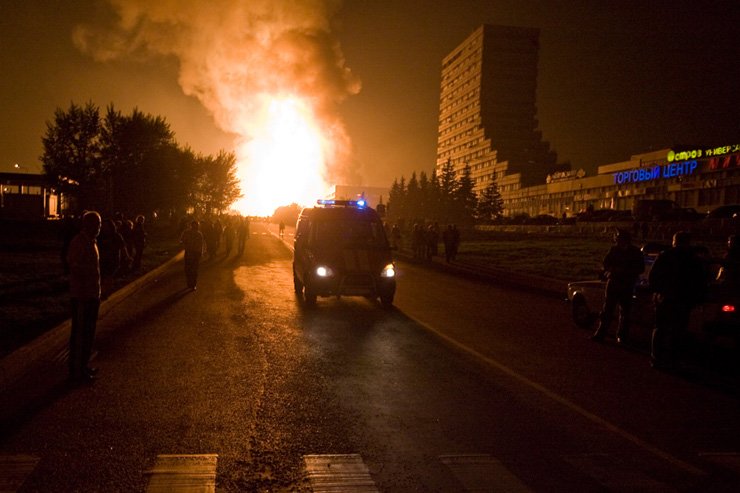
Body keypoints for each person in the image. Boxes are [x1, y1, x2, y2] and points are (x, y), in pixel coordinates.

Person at [648, 231, 706, 369]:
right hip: (683, 300)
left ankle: (656, 358)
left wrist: (657, 292)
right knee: (679, 330)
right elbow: (700, 281)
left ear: (674, 241)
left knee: (660, 329)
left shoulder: (665, 256)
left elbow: (653, 277)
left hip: (666, 298)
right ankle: (674, 359)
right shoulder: (694, 259)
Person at [66, 210, 102, 383]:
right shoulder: (79, 243)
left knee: (88, 333)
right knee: (80, 334)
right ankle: (76, 371)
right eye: (97, 224)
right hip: (82, 296)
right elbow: (75, 266)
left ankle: (83, 366)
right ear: (89, 225)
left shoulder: (92, 242)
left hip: (92, 294)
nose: (99, 228)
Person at [591, 229, 645, 343]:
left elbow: (640, 268)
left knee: (625, 312)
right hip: (614, 283)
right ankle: (601, 333)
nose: (617, 241)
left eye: (619, 239)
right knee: (607, 309)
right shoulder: (614, 250)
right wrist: (611, 270)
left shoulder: (635, 252)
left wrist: (626, 271)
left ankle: (622, 335)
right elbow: (606, 264)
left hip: (627, 284)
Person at [180, 220, 205, 290]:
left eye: (196, 226)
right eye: (194, 225)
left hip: (195, 254)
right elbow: (182, 241)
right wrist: (185, 245)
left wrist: (200, 253)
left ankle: (193, 284)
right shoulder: (186, 233)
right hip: (189, 253)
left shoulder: (199, 234)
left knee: (194, 269)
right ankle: (190, 283)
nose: (195, 227)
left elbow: (201, 245)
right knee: (188, 269)